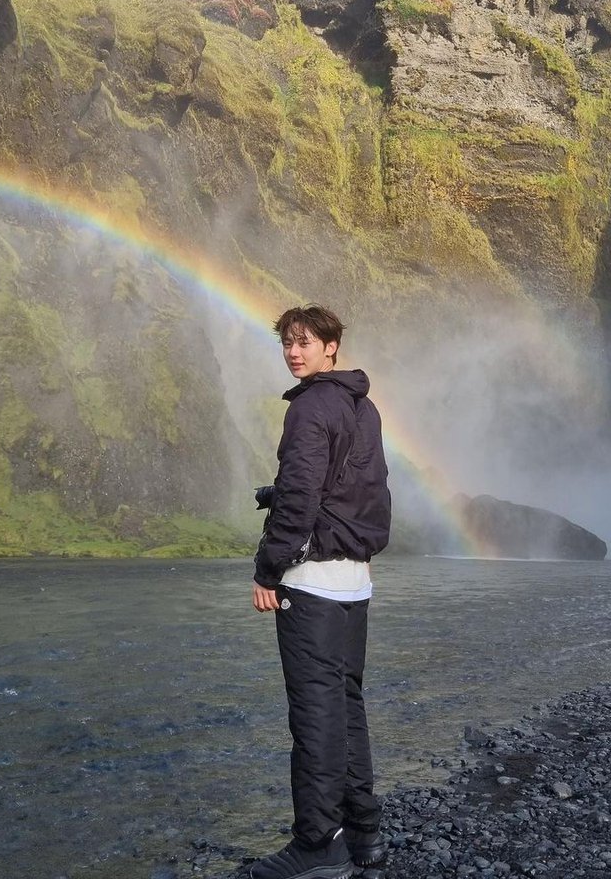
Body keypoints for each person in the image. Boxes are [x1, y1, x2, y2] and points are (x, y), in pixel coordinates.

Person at [250, 305, 392, 879]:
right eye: (288, 342)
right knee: (347, 707)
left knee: (315, 715)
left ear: (332, 345)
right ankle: (363, 833)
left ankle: (318, 844)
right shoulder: (367, 408)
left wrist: (268, 569)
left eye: (305, 341)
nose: (293, 351)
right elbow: (355, 488)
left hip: (309, 584)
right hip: (355, 585)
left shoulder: (309, 407)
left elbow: (304, 495)